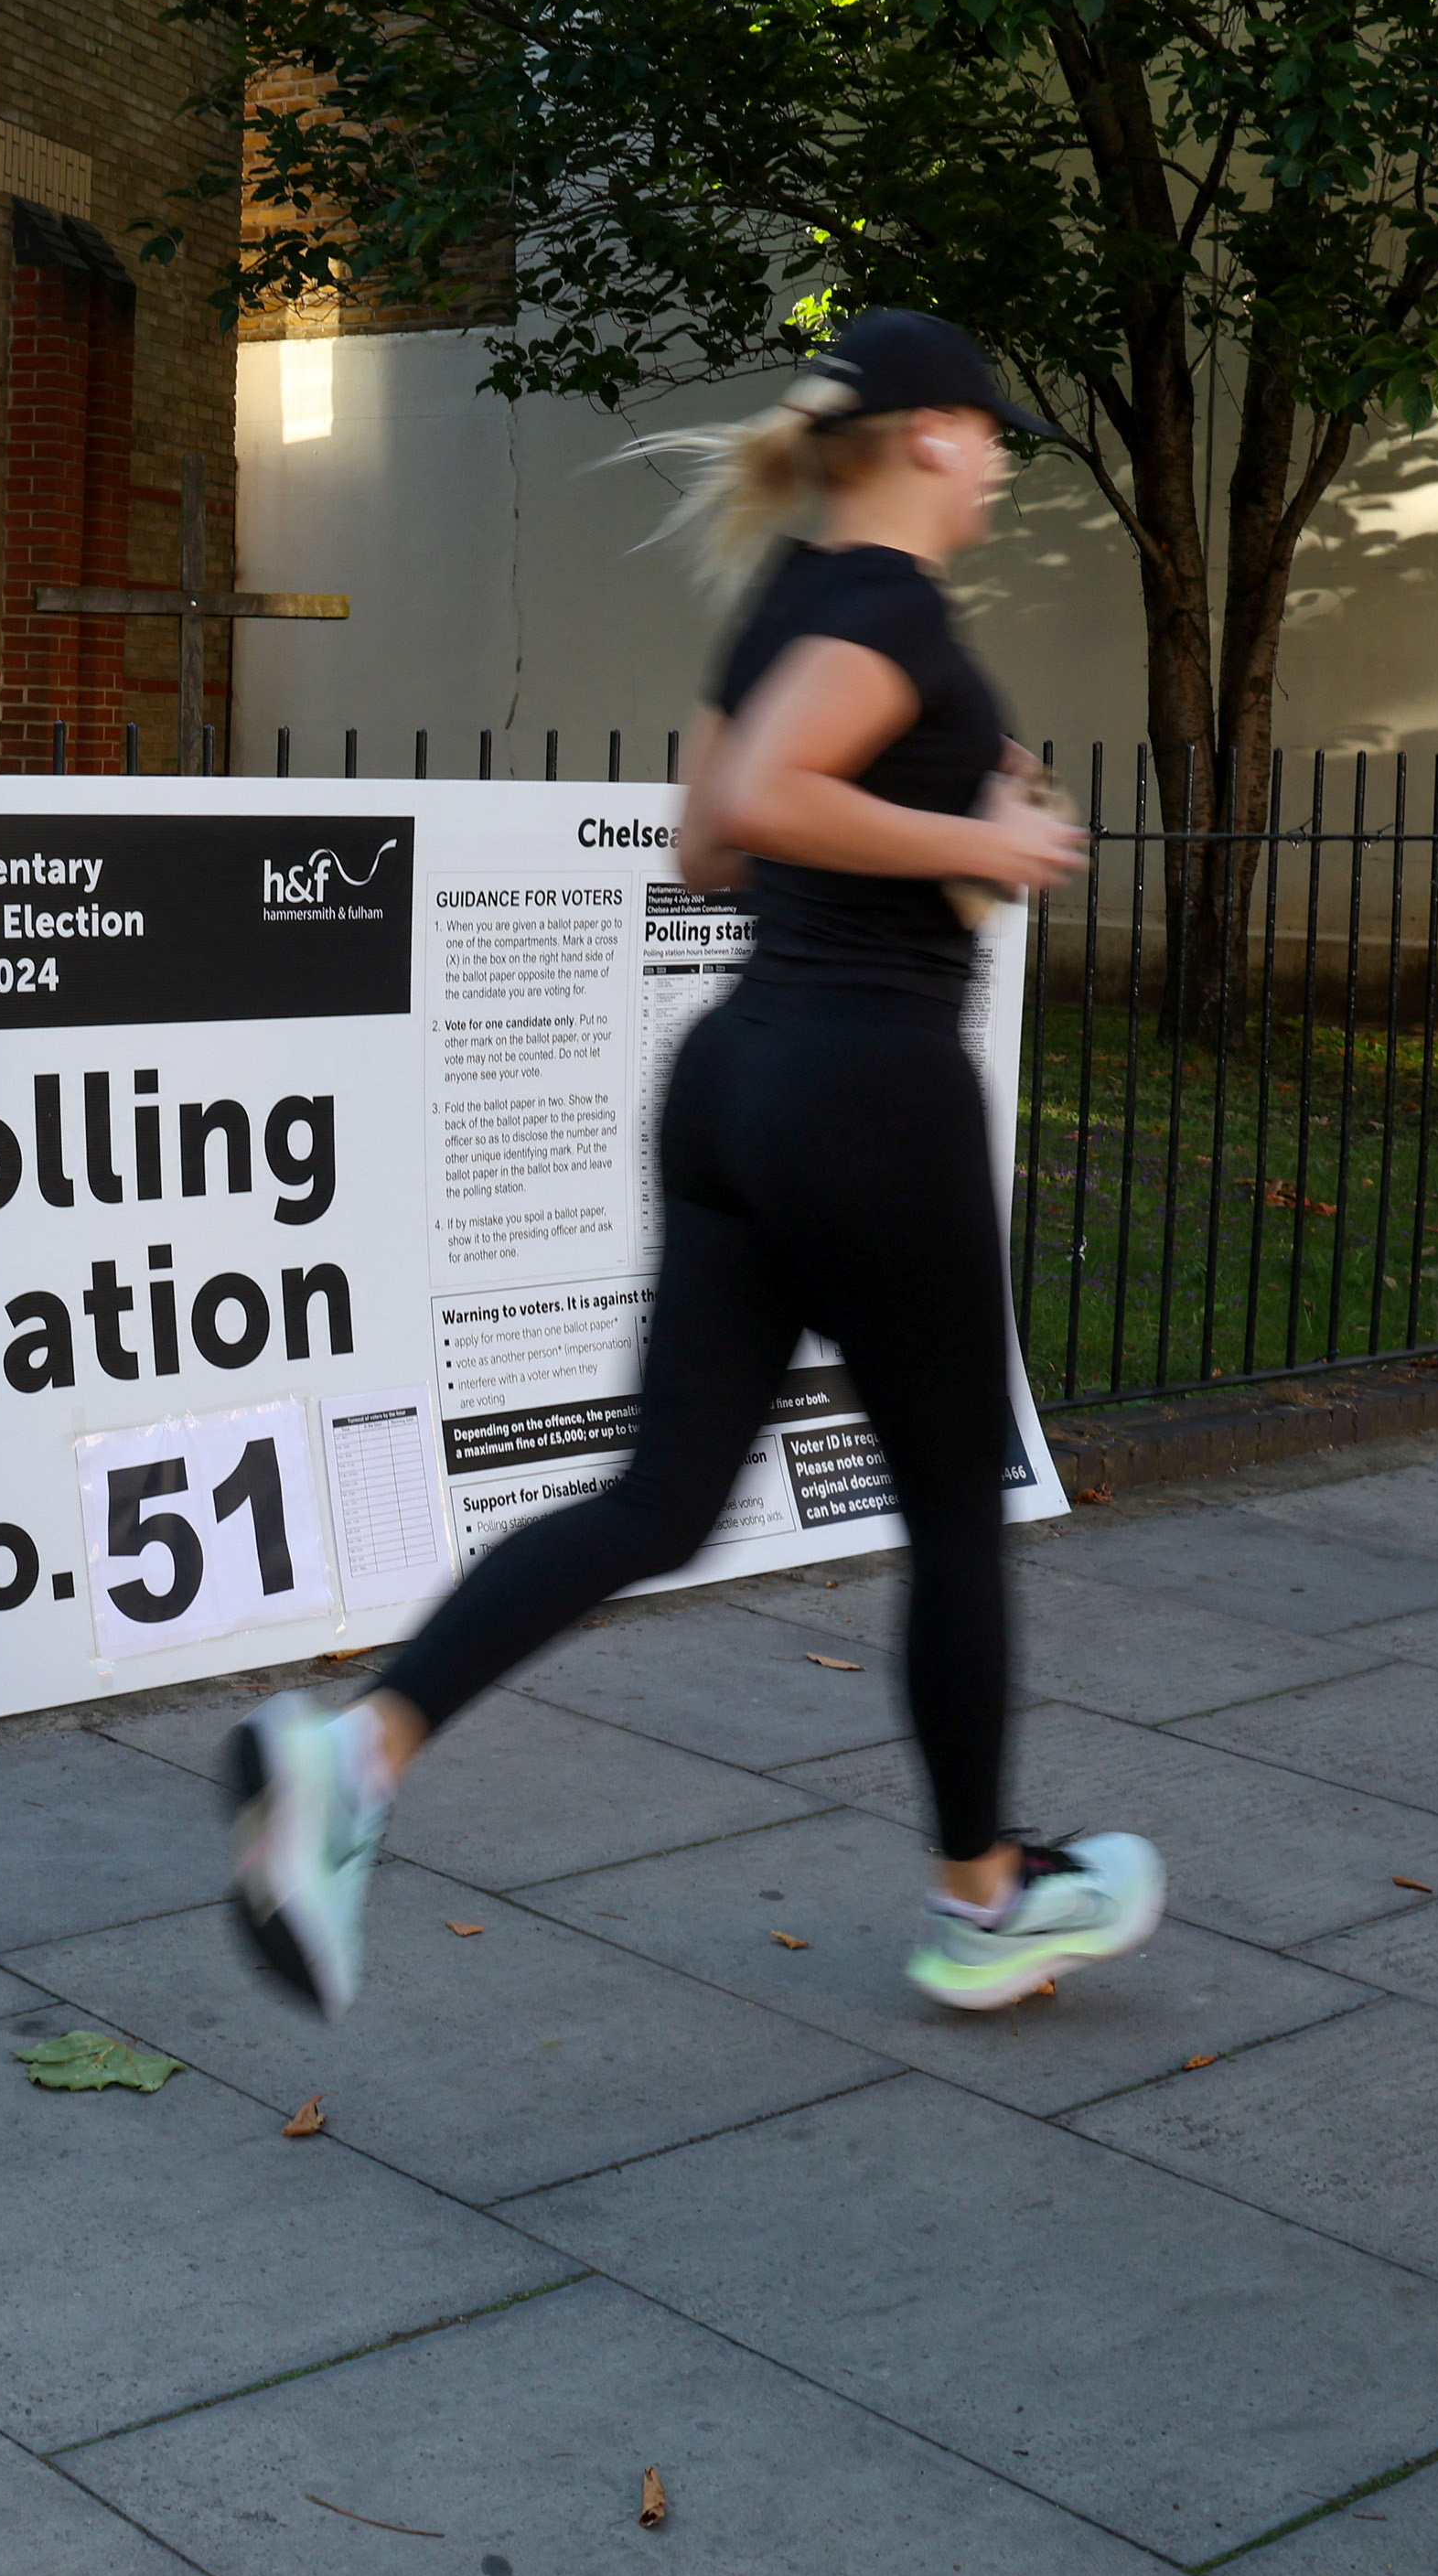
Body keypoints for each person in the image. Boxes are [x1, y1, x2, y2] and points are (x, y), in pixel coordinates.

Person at [226, 308, 1161, 2018]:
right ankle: (982, 1904)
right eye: (994, 431)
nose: (1008, 461)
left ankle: (353, 1756)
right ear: (935, 435)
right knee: (955, 1512)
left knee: (661, 1500)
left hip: (742, 1083)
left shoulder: (791, 601)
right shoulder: (885, 603)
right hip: (867, 1095)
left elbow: (705, 843)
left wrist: (937, 830)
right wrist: (991, 838)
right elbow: (776, 798)